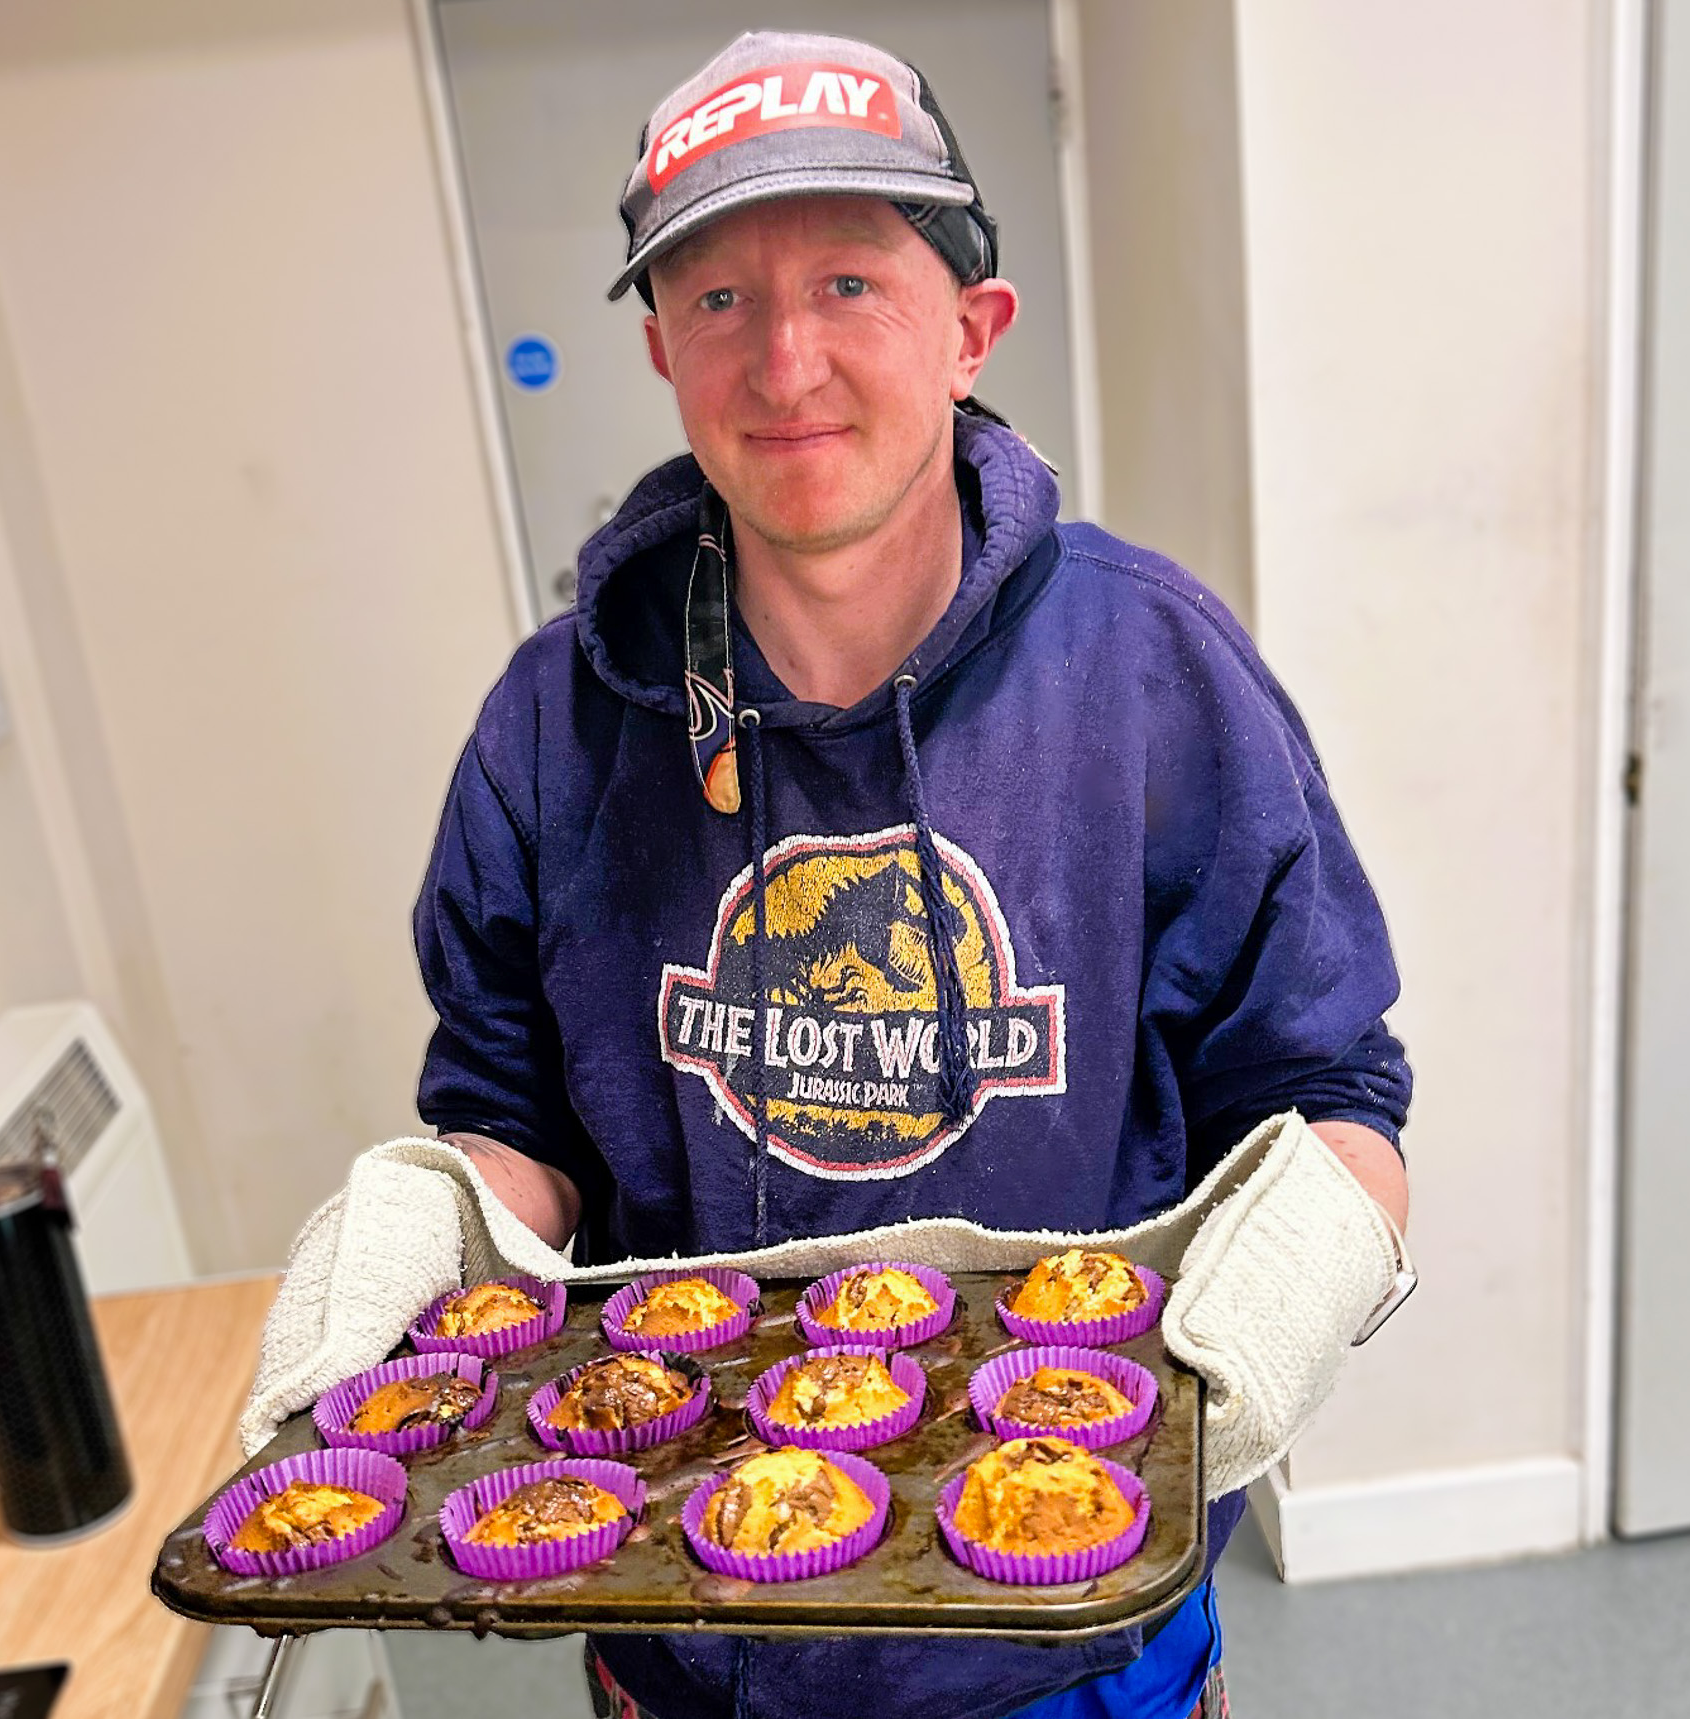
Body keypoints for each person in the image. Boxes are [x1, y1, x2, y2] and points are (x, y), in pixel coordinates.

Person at [413, 30, 1410, 1719]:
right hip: (682, 1625)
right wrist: (432, 1230)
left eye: (853, 282)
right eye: (718, 299)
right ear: (660, 349)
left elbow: (1327, 1085)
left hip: (1067, 1620)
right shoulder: (553, 722)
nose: (784, 358)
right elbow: (514, 1113)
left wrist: (1310, 1273)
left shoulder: (1155, 676)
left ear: (972, 331)